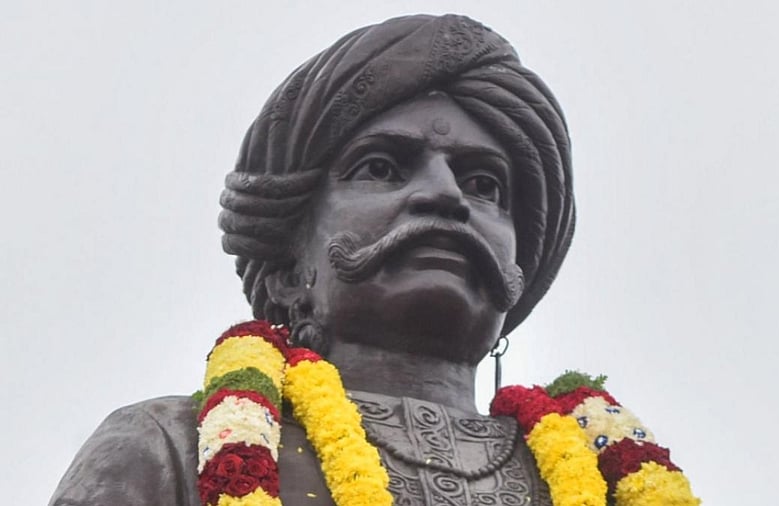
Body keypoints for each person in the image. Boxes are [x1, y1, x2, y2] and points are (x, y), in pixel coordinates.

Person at [50, 13, 574, 506]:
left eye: (483, 184)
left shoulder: (603, 475)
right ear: (285, 272)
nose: (445, 195)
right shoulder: (166, 446)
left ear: (517, 273)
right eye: (381, 168)